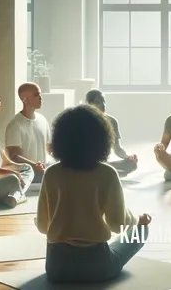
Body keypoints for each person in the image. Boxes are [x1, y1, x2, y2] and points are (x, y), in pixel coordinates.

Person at [36, 105, 151, 283]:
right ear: (101, 139)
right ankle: (142, 227)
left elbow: (43, 226)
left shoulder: (51, 173)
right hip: (98, 267)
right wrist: (138, 220)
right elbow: (117, 224)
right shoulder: (107, 173)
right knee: (141, 232)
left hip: (57, 268)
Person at [5, 82, 52, 183]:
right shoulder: (14, 125)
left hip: (43, 176)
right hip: (26, 178)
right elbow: (14, 156)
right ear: (24, 100)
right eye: (36, 95)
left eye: (40, 94)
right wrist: (34, 165)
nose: (40, 97)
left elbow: (49, 148)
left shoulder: (42, 120)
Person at [86, 88, 138, 177]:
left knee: (131, 165)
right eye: (98, 102)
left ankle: (105, 172)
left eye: (103, 102)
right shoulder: (82, 120)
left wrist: (128, 157)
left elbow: (117, 148)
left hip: (103, 163)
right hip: (85, 162)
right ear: (90, 105)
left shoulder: (112, 121)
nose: (102, 105)